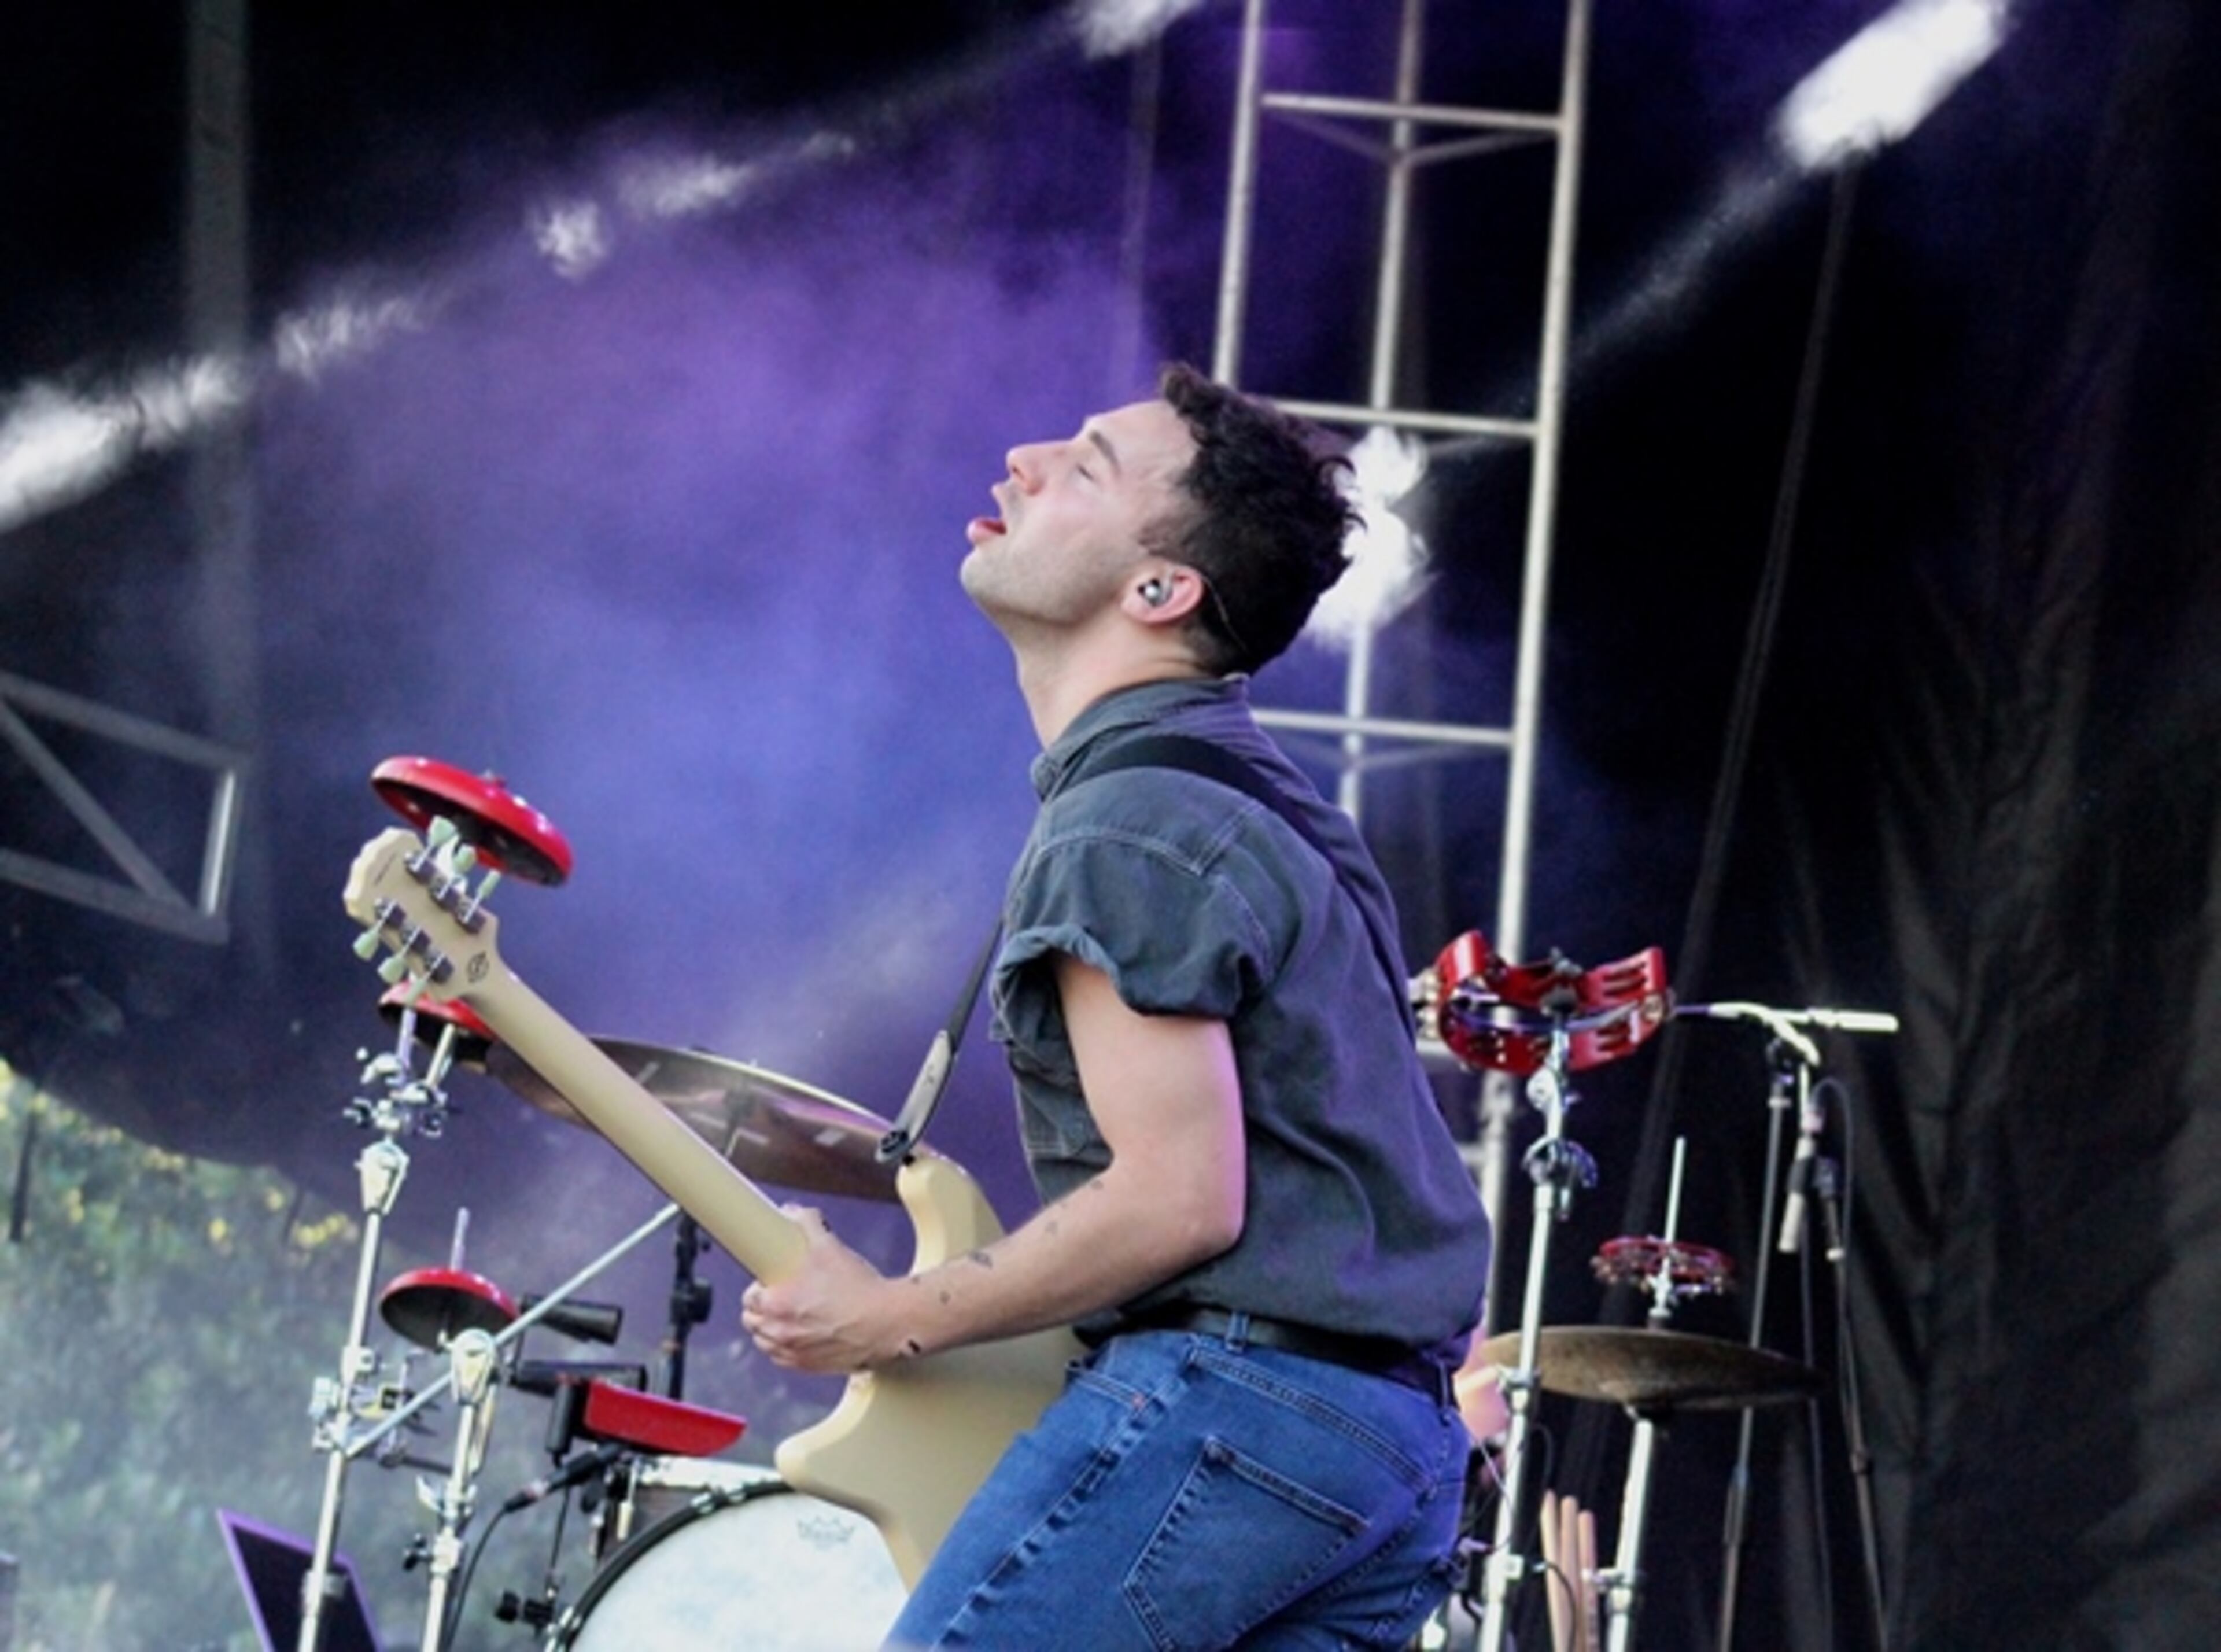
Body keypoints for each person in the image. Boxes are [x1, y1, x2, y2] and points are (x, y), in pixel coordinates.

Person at [741, 363, 1493, 1649]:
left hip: (1243, 1406)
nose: (1022, 457)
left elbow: (1179, 1198)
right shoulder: (1260, 796)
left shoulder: (1129, 819)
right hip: (1387, 1439)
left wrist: (888, 1321)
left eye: (1084, 464)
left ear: (1161, 590)